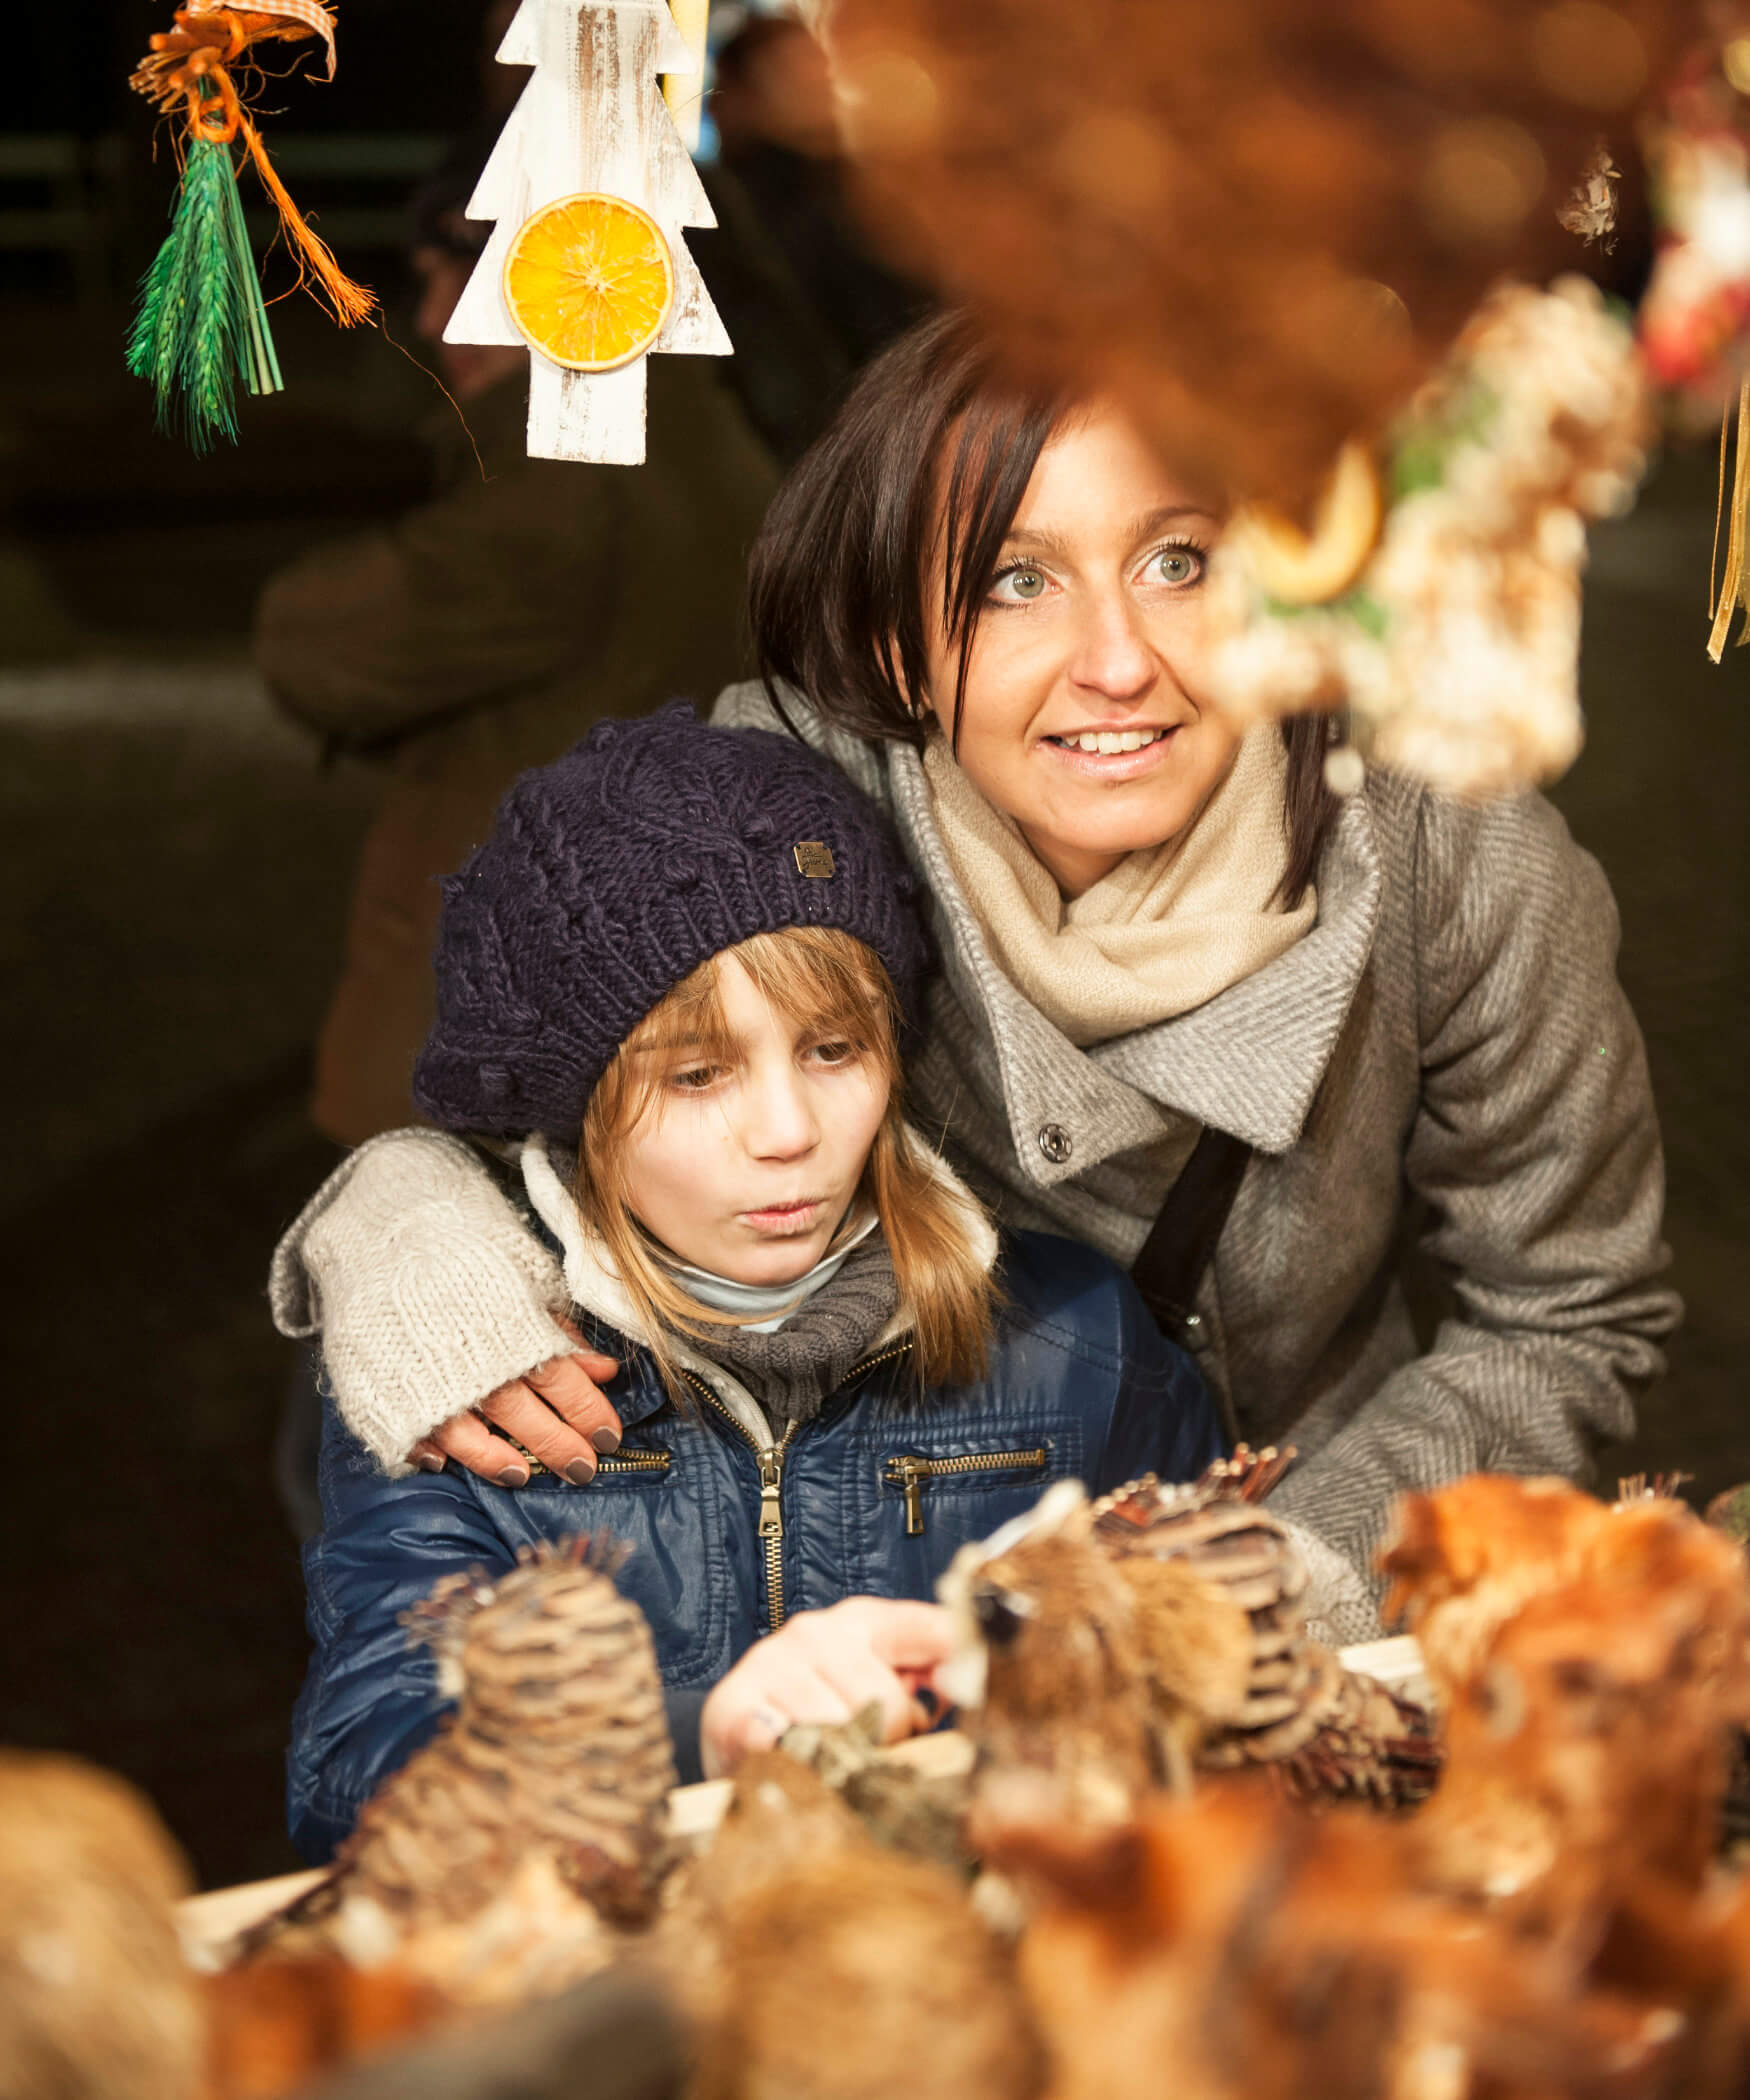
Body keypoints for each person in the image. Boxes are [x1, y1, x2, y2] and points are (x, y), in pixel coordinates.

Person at [273, 313, 1681, 1648]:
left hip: (1312, 1529)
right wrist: (406, 1215)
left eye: (1180, 562)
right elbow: (569, 1079)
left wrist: (1288, 1577)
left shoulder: (1445, 849)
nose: (1117, 660)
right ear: (893, 638)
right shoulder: (782, 806)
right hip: (871, 1585)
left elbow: (1564, 1310)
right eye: (1016, 581)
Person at [284, 707, 1222, 1857]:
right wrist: (696, 1740)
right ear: (577, 1106)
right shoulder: (457, 1375)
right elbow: (356, 1775)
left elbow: (1217, 1708)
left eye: (832, 1049)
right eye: (694, 1073)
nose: (787, 1134)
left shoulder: (1077, 1341)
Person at [254, 143, 778, 1147]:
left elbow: (323, 642)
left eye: (443, 281)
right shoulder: (698, 432)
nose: (425, 323)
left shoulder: (568, 468)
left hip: (516, 1020)